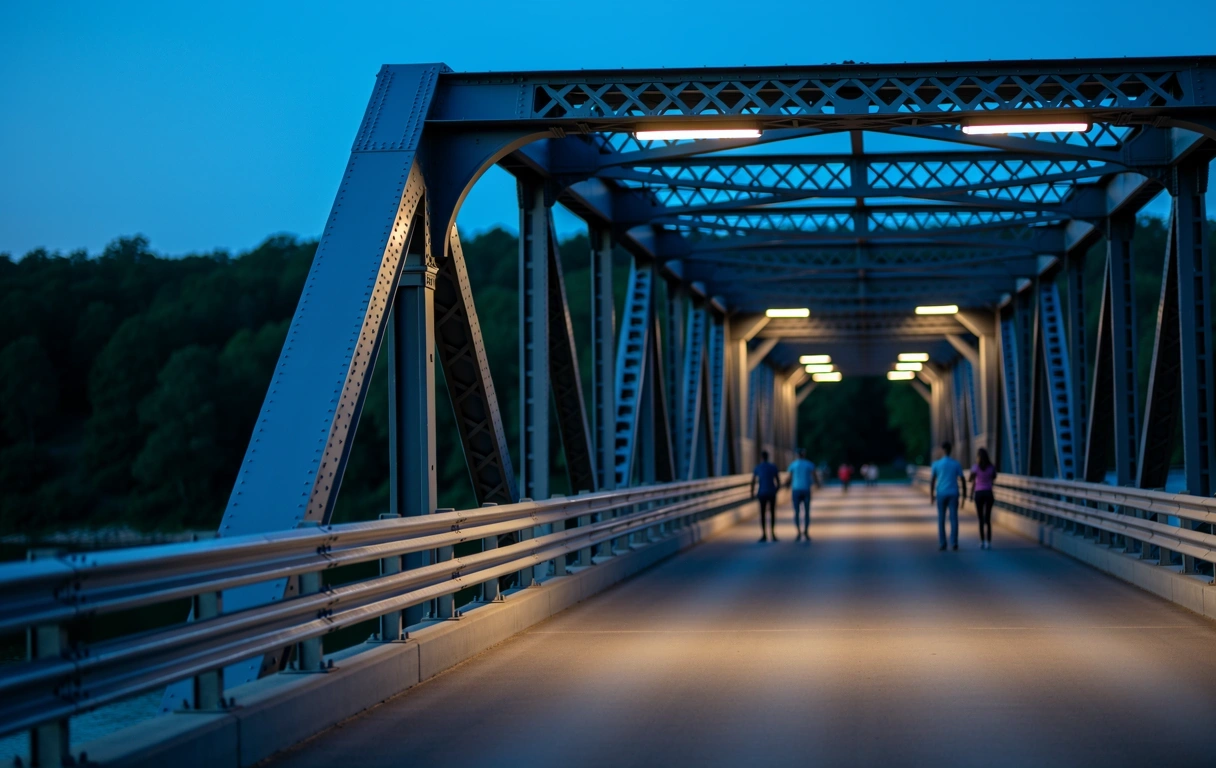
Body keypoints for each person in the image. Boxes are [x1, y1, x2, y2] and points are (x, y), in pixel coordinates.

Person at [930, 441, 967, 551]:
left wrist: (932, 496)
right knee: (953, 519)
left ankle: (942, 543)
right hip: (953, 493)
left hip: (941, 493)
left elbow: (932, 480)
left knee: (941, 519)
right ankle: (954, 542)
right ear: (951, 450)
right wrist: (964, 495)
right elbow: (963, 479)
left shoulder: (936, 464)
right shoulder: (956, 464)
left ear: (942, 450)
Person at [969, 448, 997, 549]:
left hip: (979, 493)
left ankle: (982, 541)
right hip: (989, 493)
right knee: (988, 519)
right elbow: (994, 477)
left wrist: (971, 495)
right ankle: (988, 542)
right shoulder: (991, 467)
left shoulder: (975, 467)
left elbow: (971, 480)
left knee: (980, 518)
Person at [751, 450, 780, 542]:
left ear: (761, 458)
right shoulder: (773, 467)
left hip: (762, 493)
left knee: (762, 514)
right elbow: (778, 482)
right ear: (768, 457)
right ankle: (773, 533)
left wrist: (752, 493)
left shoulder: (758, 467)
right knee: (772, 513)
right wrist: (776, 490)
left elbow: (753, 481)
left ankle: (764, 534)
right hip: (771, 493)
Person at [787, 448, 815, 541]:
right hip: (806, 490)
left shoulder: (793, 465)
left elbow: (789, 477)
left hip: (796, 490)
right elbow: (814, 475)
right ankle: (806, 532)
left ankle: (798, 532)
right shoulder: (809, 464)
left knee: (797, 512)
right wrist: (817, 485)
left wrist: (786, 486)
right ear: (804, 455)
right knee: (806, 512)